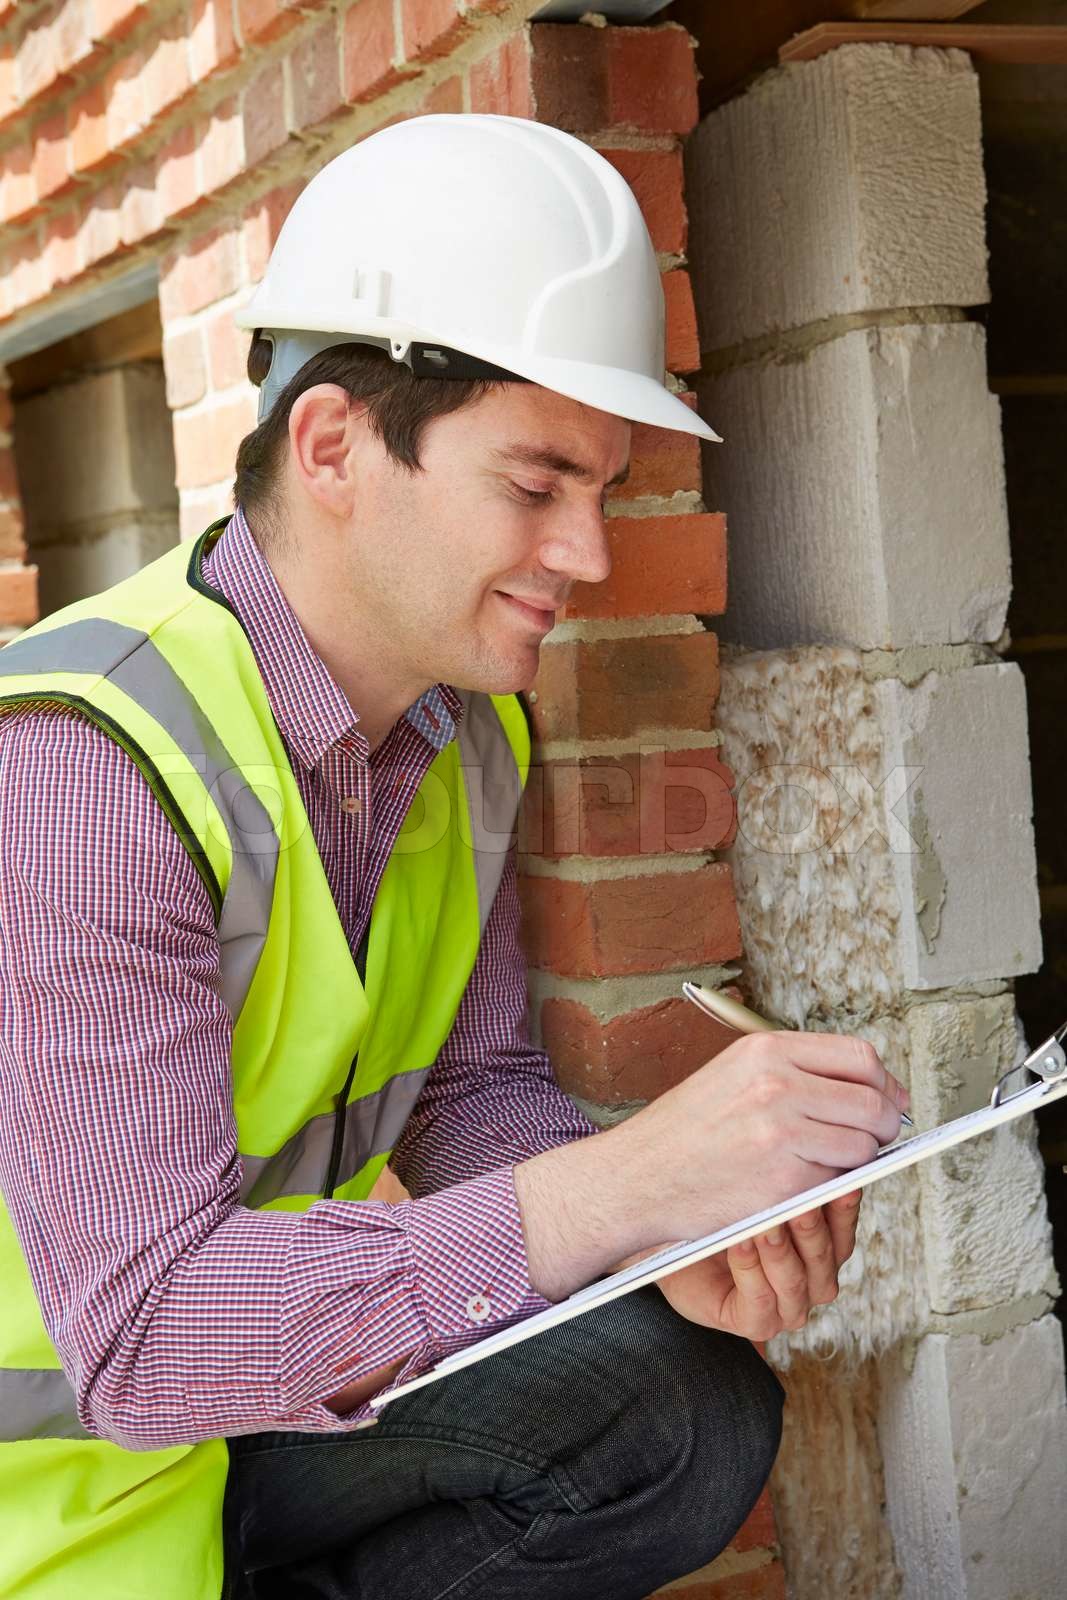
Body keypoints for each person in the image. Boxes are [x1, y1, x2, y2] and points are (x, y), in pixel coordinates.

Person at [0, 115, 908, 1600]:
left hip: (243, 1431)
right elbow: (146, 1342)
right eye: (538, 483)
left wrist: (655, 1236)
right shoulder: (81, 764)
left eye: (605, 490)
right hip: (59, 1500)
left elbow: (472, 1097)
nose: (590, 554)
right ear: (336, 445)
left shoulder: (462, 739)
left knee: (674, 1401)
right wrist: (607, 1196)